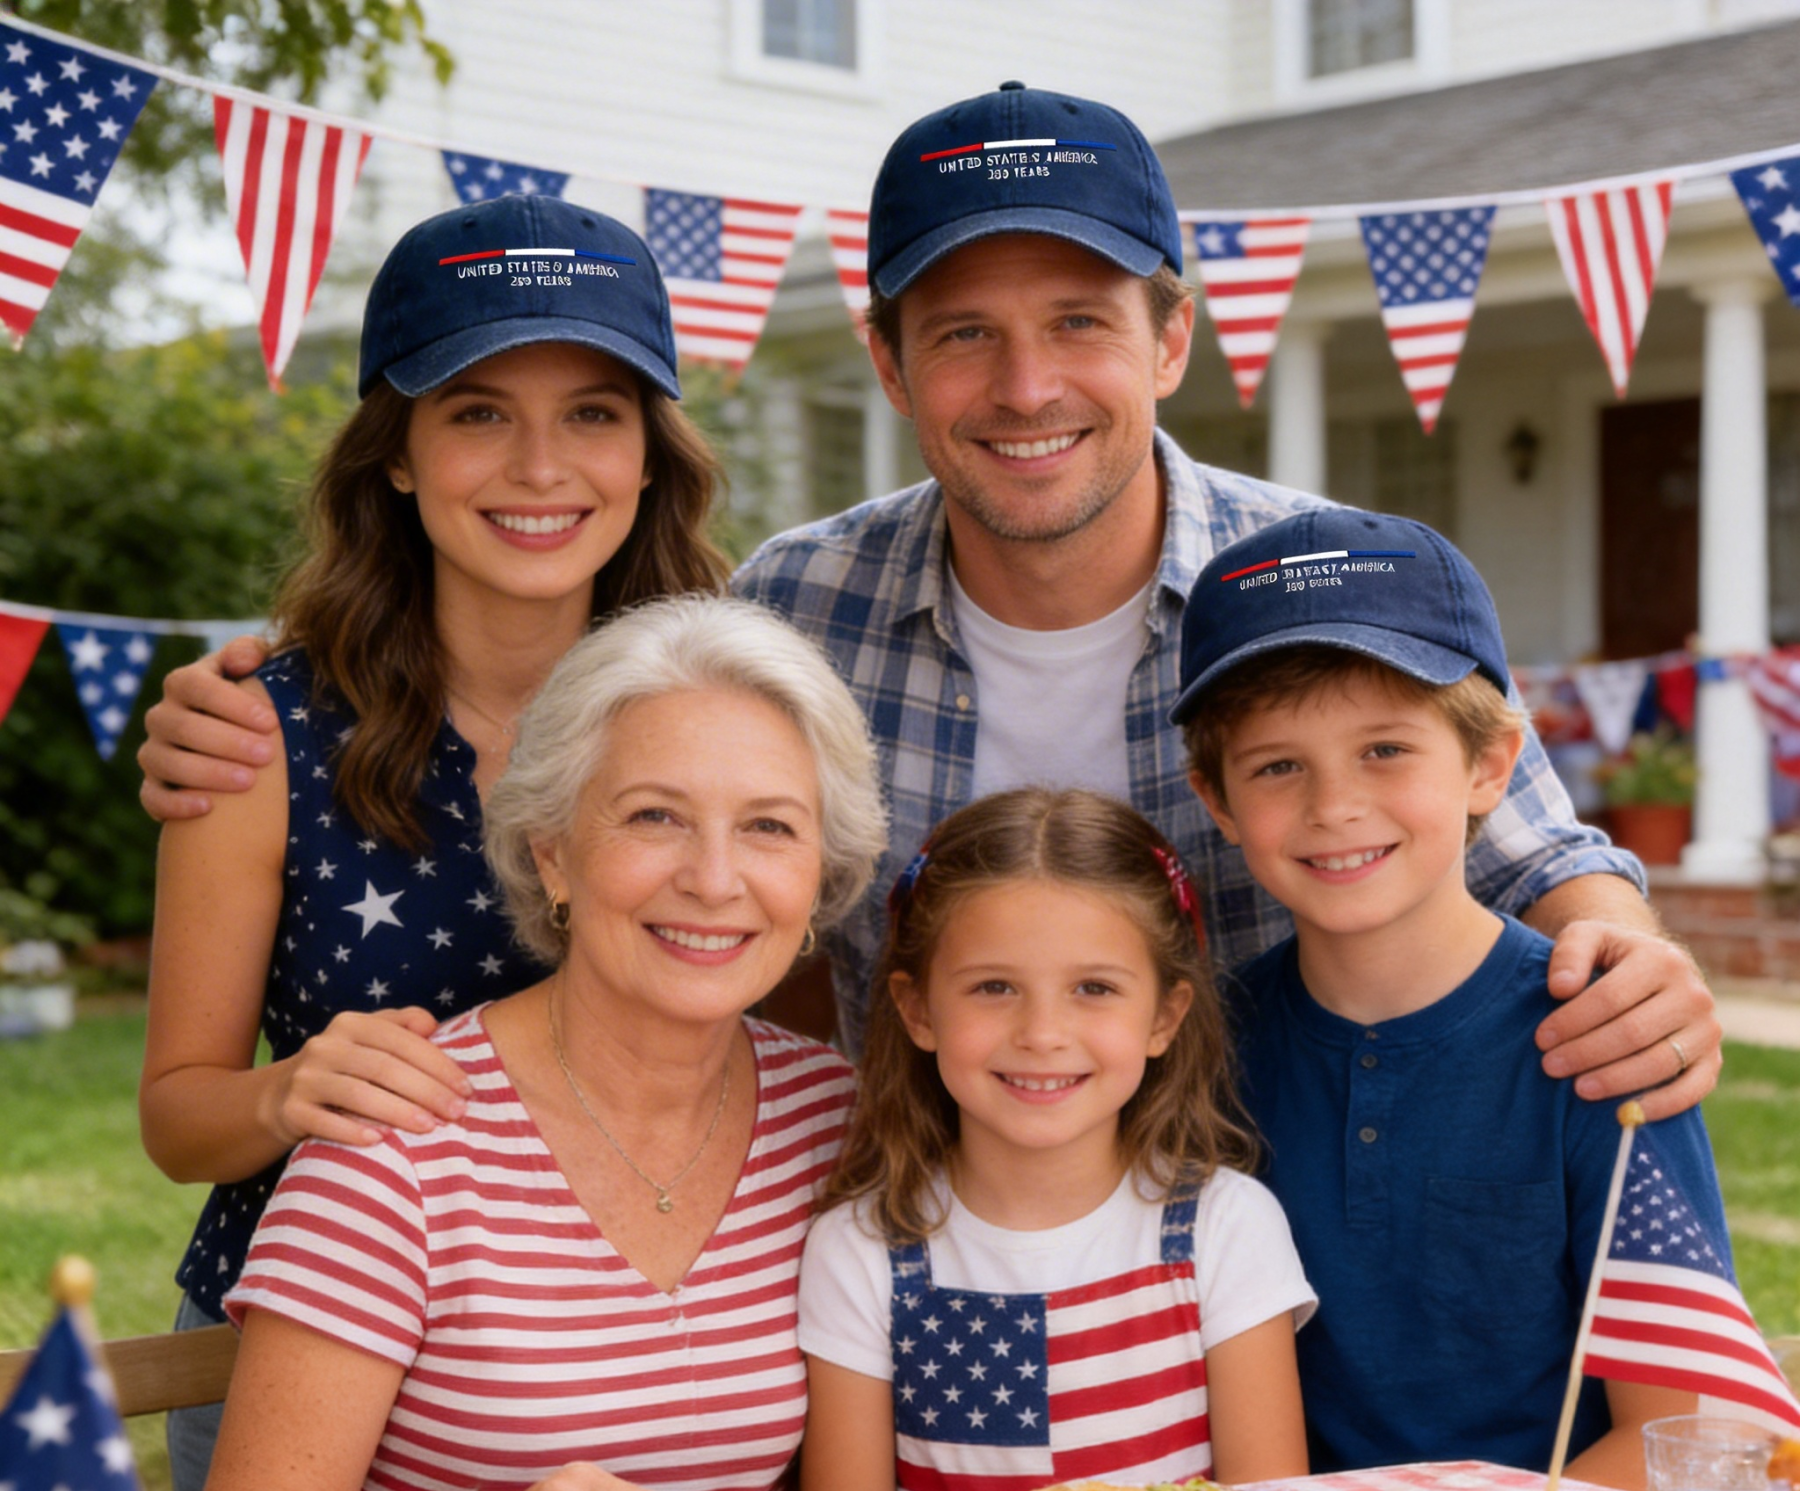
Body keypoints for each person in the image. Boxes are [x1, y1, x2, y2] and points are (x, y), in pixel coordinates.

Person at [134, 84, 1724, 1117]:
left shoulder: (1329, 583)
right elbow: (577, 661)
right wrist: (287, 674)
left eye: (1081, 323)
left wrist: (1621, 946)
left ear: (1171, 342)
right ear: (888, 364)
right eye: (962, 333)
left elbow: (1531, 850)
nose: (1026, 386)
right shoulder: (797, 602)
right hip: (900, 1261)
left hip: (1277, 1225)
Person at [137, 190, 733, 1491]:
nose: (540, 465)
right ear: (394, 454)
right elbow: (178, 1122)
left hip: (634, 1363)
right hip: (303, 1363)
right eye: (476, 411)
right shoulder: (258, 731)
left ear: (651, 453)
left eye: (593, 412)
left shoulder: (717, 712)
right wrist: (289, 1094)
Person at [188, 597, 888, 1491]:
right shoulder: (402, 1131)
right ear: (553, 850)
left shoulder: (837, 1121)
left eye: (771, 828)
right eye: (655, 816)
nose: (715, 878)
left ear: (820, 872)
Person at [1173, 505, 1718, 1490]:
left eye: (1385, 750)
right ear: (1216, 799)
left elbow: (1675, 1428)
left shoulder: (1601, 1035)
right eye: (1277, 766)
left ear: (1490, 765)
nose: (1334, 805)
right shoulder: (1208, 1053)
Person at [797, 788, 1314, 1491]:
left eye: (1094, 989)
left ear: (1165, 1017)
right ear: (917, 1010)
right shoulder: (861, 1250)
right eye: (994, 987)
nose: (1043, 1033)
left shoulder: (1225, 1225)